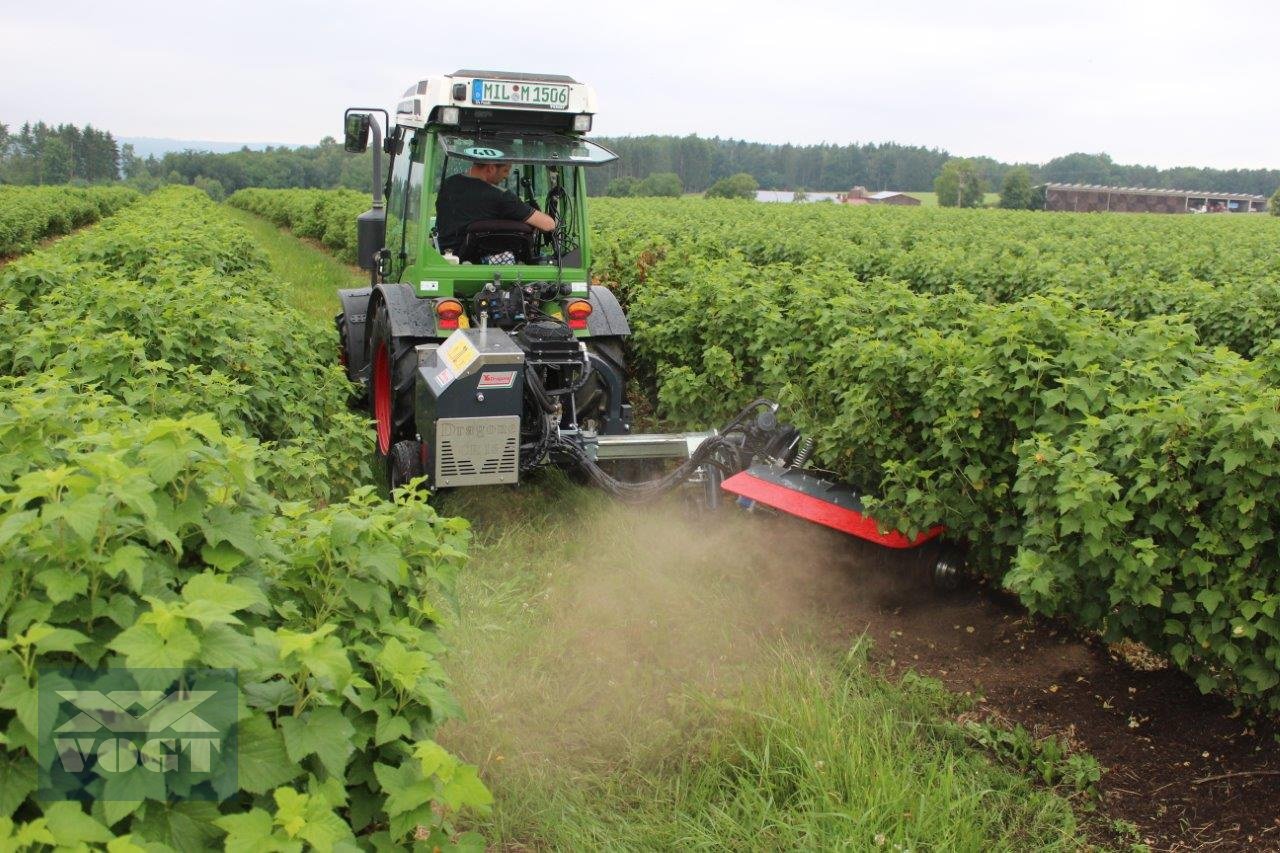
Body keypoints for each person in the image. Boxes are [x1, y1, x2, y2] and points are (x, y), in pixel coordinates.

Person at [435, 161, 555, 259]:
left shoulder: (448, 185)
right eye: (505, 170)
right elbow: (548, 225)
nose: (506, 176)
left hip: (446, 257)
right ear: (491, 168)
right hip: (484, 260)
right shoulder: (500, 197)